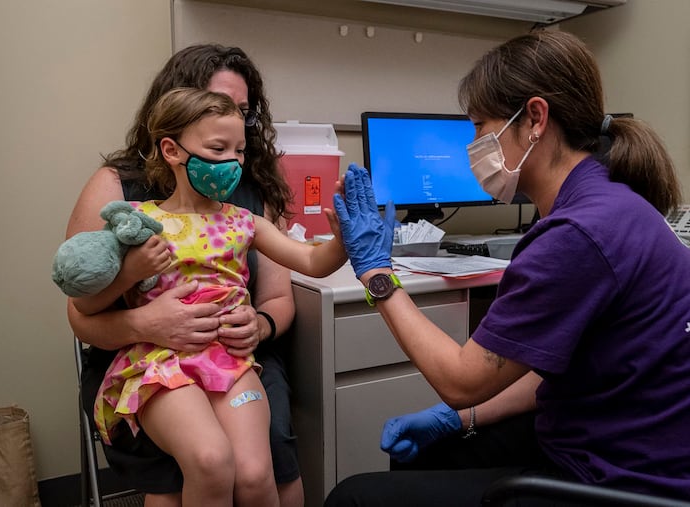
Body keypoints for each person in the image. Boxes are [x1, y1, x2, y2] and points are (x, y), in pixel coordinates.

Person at [326, 29, 690, 505]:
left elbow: (461, 381)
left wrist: (376, 272)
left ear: (535, 118)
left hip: (623, 478)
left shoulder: (577, 234)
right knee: (424, 455)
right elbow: (548, 363)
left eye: (480, 127)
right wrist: (458, 420)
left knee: (353, 498)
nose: (473, 145)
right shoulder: (611, 203)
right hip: (622, 437)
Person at [71, 87, 346, 506]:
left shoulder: (245, 221)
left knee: (255, 475)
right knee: (211, 460)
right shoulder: (140, 223)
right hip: (159, 363)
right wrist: (132, 271)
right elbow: (84, 305)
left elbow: (311, 262)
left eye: (239, 150)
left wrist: (345, 239)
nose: (232, 162)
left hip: (228, 360)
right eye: (218, 148)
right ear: (172, 150)